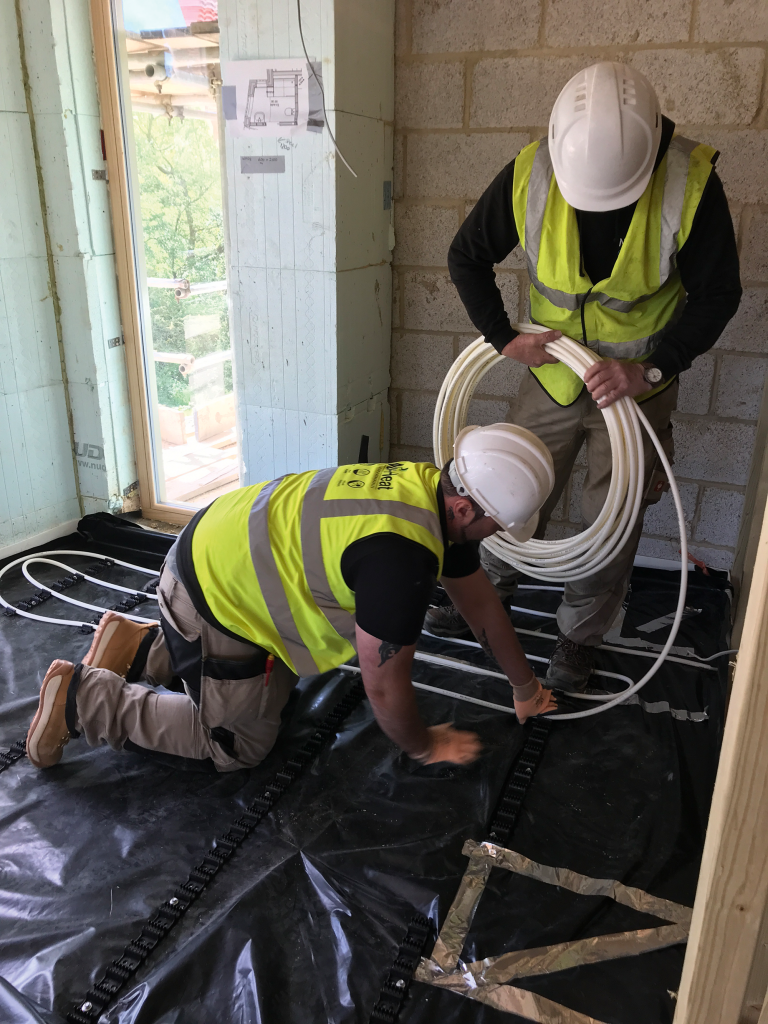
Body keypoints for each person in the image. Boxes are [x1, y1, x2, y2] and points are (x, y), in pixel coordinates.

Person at [428, 61, 742, 692]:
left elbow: (719, 295)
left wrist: (650, 365)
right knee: (504, 486)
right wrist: (506, 340)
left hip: (635, 391)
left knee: (613, 516)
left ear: (652, 149)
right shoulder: (534, 171)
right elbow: (466, 255)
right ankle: (483, 589)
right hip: (551, 379)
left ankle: (578, 637)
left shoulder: (691, 182)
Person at [26, 424, 558, 773]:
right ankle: (83, 700)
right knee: (238, 744)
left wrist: (526, 687)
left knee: (274, 697)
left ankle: (139, 651)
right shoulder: (403, 559)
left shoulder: (425, 491)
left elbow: (481, 604)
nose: (497, 534)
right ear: (466, 509)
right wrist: (424, 745)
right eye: (497, 523)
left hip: (221, 563)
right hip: (211, 596)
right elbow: (383, 682)